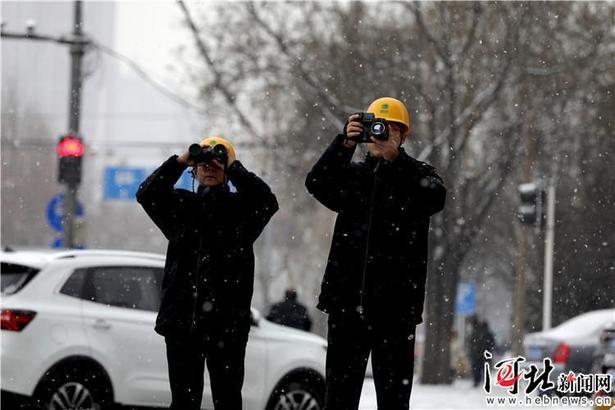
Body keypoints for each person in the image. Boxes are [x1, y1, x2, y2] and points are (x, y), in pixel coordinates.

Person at [305, 97, 446, 410]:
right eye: (375, 128)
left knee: (394, 401)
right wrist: (343, 143)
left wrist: (396, 161)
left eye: (389, 129)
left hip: (395, 313)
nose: (381, 135)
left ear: (403, 136)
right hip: (346, 307)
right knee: (339, 400)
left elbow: (436, 197)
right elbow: (316, 182)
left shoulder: (417, 176)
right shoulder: (353, 178)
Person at [136, 137, 278, 410]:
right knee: (183, 401)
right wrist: (178, 161)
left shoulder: (242, 211)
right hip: (182, 323)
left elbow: (267, 201)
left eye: (218, 163)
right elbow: (147, 194)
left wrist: (236, 167)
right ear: (194, 170)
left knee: (227, 400)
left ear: (228, 169)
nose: (210, 168)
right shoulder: (180, 206)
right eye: (203, 164)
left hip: (227, 326)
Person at [469, 316, 496, 387]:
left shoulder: (475, 333)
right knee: (484, 367)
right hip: (485, 354)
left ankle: (477, 380)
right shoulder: (488, 334)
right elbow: (492, 344)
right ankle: (483, 380)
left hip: (476, 354)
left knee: (476, 368)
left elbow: (471, 343)